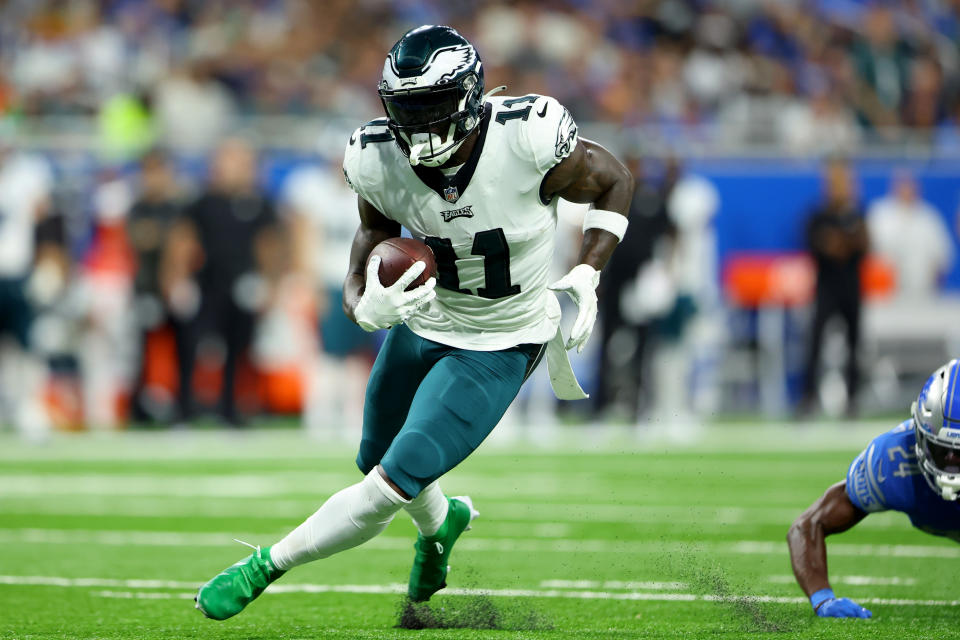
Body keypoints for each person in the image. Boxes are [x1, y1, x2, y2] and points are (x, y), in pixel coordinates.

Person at [195, 25, 633, 620]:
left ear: (468, 96)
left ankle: (266, 565)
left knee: (387, 486)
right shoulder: (376, 157)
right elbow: (371, 241)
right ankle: (441, 526)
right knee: (373, 457)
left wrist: (588, 271)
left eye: (429, 106)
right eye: (405, 109)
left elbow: (614, 180)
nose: (418, 124)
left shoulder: (526, 138)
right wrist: (363, 303)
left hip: (498, 340)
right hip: (425, 322)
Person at [787, 358, 960, 619]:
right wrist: (823, 599)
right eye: (943, 451)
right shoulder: (892, 461)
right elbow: (807, 525)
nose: (952, 466)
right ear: (920, 436)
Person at [163, 138, 285, 426]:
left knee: (239, 348)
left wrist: (270, 284)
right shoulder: (202, 202)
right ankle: (184, 409)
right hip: (206, 281)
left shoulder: (258, 203)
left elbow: (269, 245)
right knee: (190, 346)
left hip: (243, 284)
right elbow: (182, 240)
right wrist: (177, 279)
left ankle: (231, 408)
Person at [800, 158, 869, 417]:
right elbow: (824, 247)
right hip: (826, 288)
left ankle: (852, 400)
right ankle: (808, 399)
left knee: (854, 345)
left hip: (851, 288)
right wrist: (843, 242)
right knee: (815, 343)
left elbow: (862, 246)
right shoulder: (818, 216)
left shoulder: (856, 214)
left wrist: (841, 241)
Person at [867, 170, 953, 299]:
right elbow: (867, 250)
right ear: (894, 186)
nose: (906, 189)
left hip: (922, 293)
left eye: (909, 185)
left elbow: (944, 255)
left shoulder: (929, 217)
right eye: (902, 184)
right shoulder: (879, 214)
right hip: (884, 295)